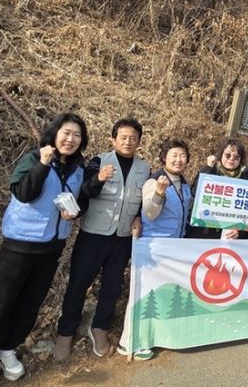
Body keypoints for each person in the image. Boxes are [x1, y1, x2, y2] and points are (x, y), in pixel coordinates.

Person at [0, 113, 88, 387]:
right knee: (3, 302)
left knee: (30, 304)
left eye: (77, 135)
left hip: (51, 247)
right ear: (55, 134)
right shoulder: (33, 158)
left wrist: (75, 212)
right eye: (66, 133)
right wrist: (43, 163)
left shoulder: (78, 169)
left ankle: (8, 349)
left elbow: (81, 199)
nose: (70, 139)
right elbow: (24, 193)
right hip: (20, 245)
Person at [54, 118, 150, 361]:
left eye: (133, 138)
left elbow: (144, 201)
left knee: (112, 286)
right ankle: (66, 331)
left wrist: (139, 217)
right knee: (78, 284)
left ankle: (99, 327)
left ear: (139, 142)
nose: (128, 142)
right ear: (113, 139)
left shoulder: (144, 168)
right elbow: (84, 192)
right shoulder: (99, 161)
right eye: (123, 137)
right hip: (93, 235)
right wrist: (99, 178)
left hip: (123, 237)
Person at [117, 139, 192, 360]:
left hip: (174, 247)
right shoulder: (153, 181)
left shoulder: (185, 185)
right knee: (144, 294)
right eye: (174, 155)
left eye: (182, 156)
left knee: (162, 295)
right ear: (164, 158)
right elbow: (150, 213)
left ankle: (153, 337)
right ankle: (129, 342)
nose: (178, 160)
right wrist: (159, 192)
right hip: (153, 247)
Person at [190, 138, 248, 239]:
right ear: (221, 155)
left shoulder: (246, 180)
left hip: (228, 235)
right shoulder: (210, 172)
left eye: (236, 157)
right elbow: (194, 193)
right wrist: (208, 168)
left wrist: (239, 230)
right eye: (227, 155)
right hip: (203, 232)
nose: (231, 159)